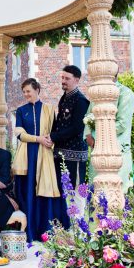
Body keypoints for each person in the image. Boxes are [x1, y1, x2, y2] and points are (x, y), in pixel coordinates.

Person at [12, 78, 63, 242]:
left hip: (44, 154)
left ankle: (45, 231)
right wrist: (39, 139)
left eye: (28, 91)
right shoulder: (20, 111)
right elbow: (20, 135)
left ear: (37, 90)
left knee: (44, 191)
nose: (26, 94)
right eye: (24, 91)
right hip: (27, 155)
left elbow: (54, 131)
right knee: (28, 191)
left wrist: (49, 140)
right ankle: (29, 232)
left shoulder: (49, 109)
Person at [46, 65, 90, 227]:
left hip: (75, 156)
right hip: (60, 154)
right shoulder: (64, 97)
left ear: (77, 80)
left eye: (67, 79)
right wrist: (51, 136)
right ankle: (66, 228)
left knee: (76, 191)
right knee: (63, 192)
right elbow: (60, 123)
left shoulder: (81, 101)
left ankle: (79, 229)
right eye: (62, 78)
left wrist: (53, 136)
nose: (63, 81)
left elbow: (77, 128)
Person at [85, 74, 134, 191]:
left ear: (113, 74)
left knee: (118, 195)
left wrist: (99, 133)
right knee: (96, 194)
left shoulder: (125, 93)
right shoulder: (98, 94)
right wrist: (88, 135)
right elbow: (88, 116)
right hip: (97, 151)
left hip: (117, 152)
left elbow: (122, 124)